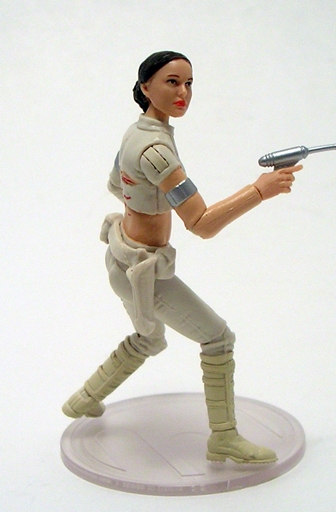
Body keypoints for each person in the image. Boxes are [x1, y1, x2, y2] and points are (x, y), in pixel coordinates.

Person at [62, 51, 302, 464]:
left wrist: (143, 210)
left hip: (122, 257)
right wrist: (260, 190)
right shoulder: (158, 151)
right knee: (218, 338)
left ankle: (83, 399)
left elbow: (116, 185)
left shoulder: (136, 133)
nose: (183, 93)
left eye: (189, 83)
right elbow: (202, 223)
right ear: (145, 87)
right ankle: (224, 437)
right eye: (172, 82)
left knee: (149, 338)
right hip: (145, 273)